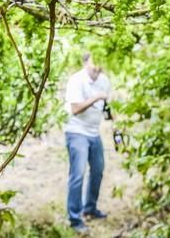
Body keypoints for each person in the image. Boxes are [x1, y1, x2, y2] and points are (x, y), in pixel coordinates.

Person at [64, 52, 111, 233]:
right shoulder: (76, 80)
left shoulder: (104, 80)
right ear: (85, 63)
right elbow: (75, 109)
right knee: (78, 174)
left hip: (93, 132)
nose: (97, 67)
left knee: (98, 170)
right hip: (76, 131)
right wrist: (97, 97)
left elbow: (105, 106)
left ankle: (89, 208)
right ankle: (75, 219)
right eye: (93, 62)